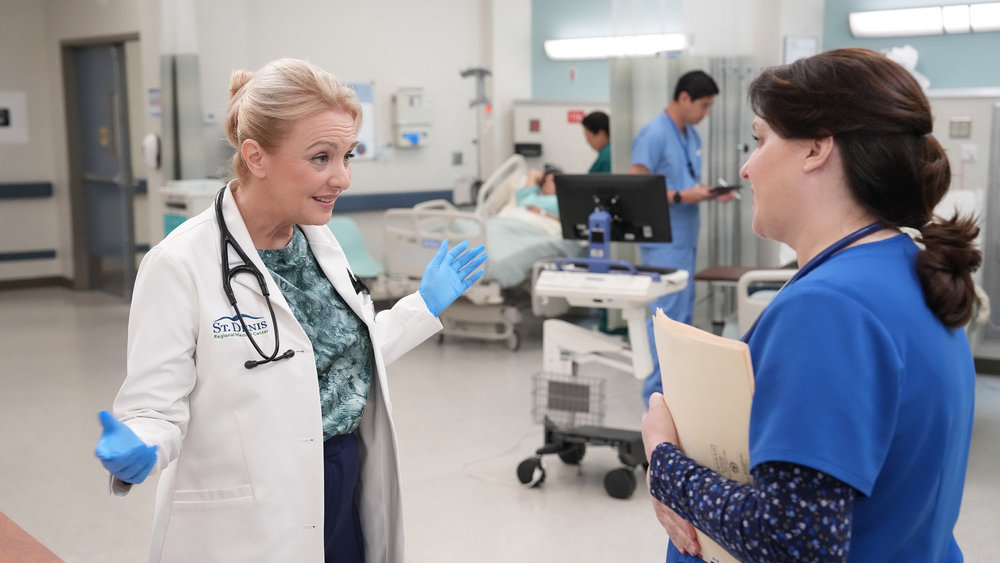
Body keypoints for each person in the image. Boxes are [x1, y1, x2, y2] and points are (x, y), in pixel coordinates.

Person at [92, 58, 487, 563]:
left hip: (344, 480)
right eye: (321, 157)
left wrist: (422, 307)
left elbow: (336, 359)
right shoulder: (180, 264)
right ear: (255, 156)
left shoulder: (320, 241)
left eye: (349, 155)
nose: (342, 177)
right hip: (251, 511)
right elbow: (154, 406)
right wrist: (141, 444)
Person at [641, 48, 980, 563]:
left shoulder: (829, 309)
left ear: (816, 148)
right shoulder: (907, 268)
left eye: (760, 140)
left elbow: (794, 542)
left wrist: (664, 461)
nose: (746, 167)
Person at [630, 70, 737, 405]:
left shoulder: (691, 136)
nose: (705, 114)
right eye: (703, 106)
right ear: (684, 97)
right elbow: (638, 185)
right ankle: (655, 398)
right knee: (665, 319)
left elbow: (684, 181)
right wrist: (680, 197)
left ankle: (675, 393)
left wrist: (705, 194)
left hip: (685, 237)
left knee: (683, 316)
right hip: (663, 241)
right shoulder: (654, 133)